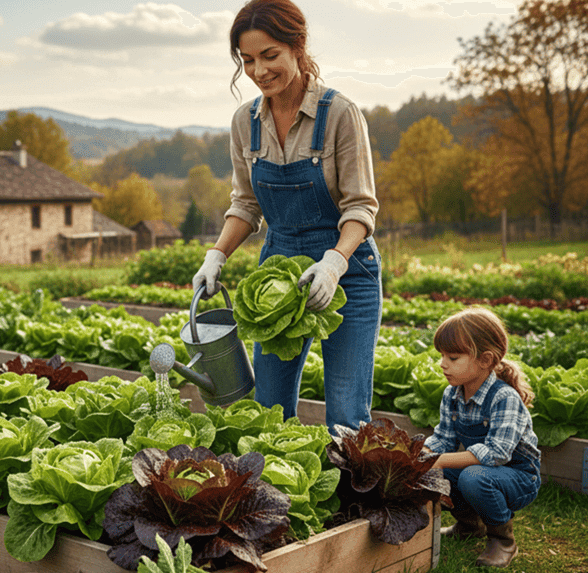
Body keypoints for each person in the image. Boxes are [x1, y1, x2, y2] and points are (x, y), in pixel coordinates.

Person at [192, 0, 382, 431]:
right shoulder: (246, 122)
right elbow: (245, 204)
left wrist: (334, 263)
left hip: (346, 271)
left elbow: (360, 206)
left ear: (298, 48)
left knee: (346, 417)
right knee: (270, 411)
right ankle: (285, 498)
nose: (259, 71)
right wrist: (216, 255)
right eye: (248, 61)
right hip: (278, 269)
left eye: (270, 55)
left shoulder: (340, 115)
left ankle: (352, 500)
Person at [425, 307, 540, 569]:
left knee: (472, 477)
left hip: (519, 476)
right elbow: (443, 439)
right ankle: (468, 526)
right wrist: (423, 456)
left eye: (453, 357)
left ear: (485, 360)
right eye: (442, 356)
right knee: (440, 472)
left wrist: (440, 460)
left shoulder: (504, 397)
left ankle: (502, 540)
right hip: (483, 470)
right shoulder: (452, 394)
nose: (443, 364)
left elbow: (498, 453)